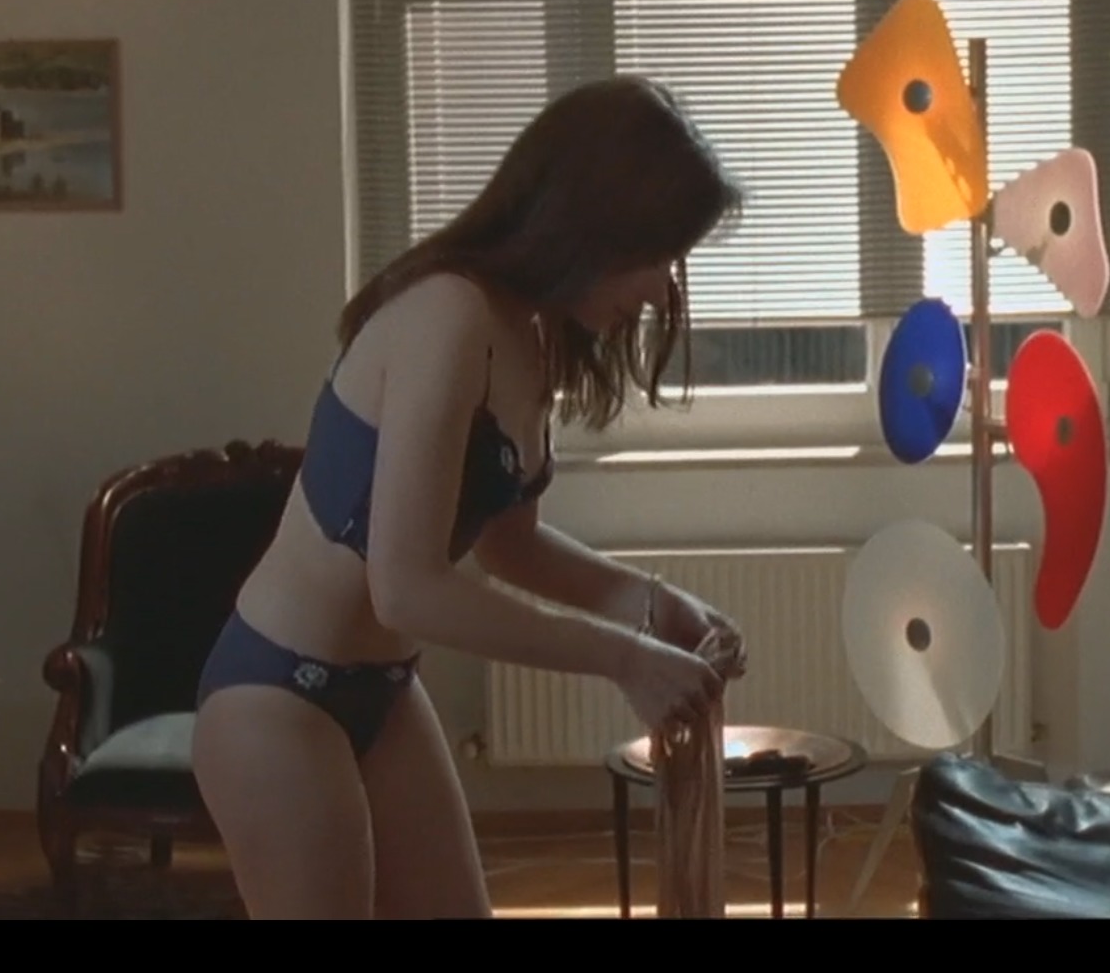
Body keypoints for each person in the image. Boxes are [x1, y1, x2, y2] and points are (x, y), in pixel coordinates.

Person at [191, 75, 750, 920]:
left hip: (383, 689)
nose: (661, 291)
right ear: (592, 226)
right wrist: (624, 658)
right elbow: (406, 587)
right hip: (275, 695)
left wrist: (652, 604)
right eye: (657, 255)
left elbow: (509, 545)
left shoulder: (532, 333)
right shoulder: (446, 315)